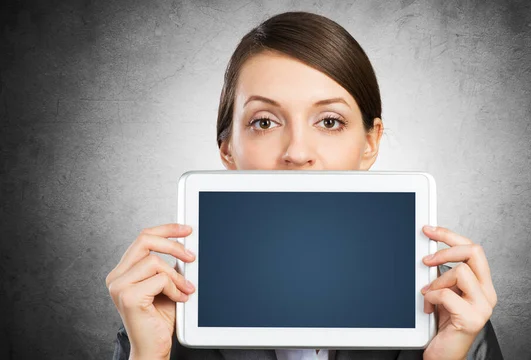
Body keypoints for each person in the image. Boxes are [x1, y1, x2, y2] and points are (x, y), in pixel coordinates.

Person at [106, 11, 504, 360]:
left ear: (370, 142)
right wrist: (149, 355)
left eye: (329, 121)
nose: (297, 152)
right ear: (227, 149)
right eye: (264, 121)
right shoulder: (165, 306)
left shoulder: (449, 306)